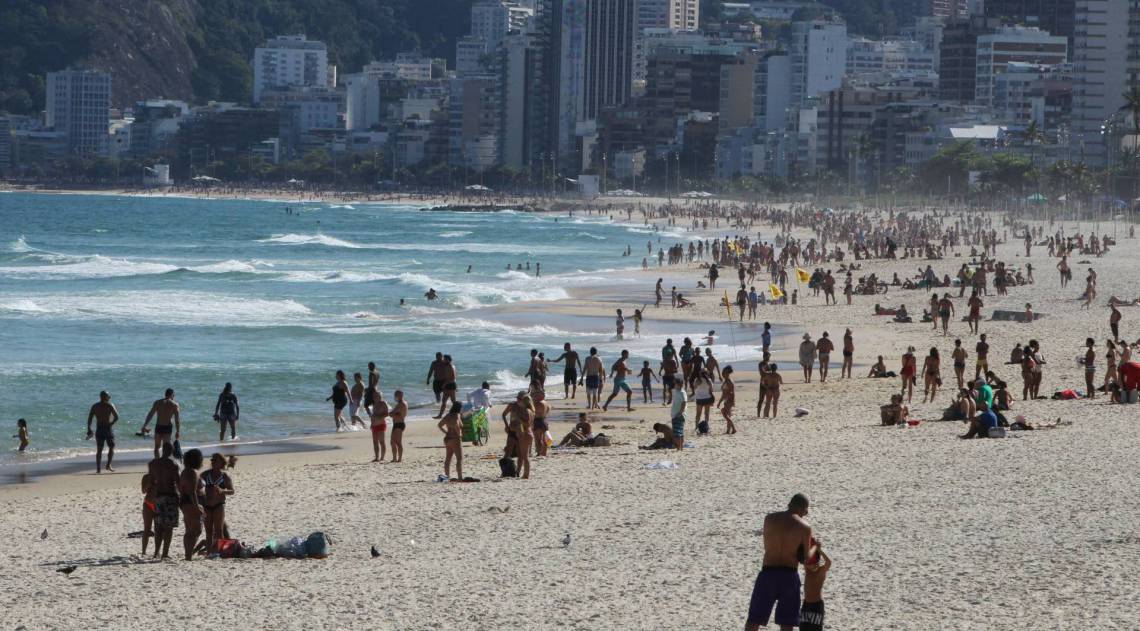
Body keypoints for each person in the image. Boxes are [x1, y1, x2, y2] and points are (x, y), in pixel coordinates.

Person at [745, 494, 814, 631]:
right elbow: (807, 560)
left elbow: (767, 545)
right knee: (787, 622)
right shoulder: (805, 528)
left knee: (754, 619)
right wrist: (816, 546)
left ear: (790, 504)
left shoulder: (769, 519)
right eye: (806, 511)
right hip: (789, 575)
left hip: (768, 573)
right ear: (802, 508)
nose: (805, 514)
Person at [147, 442, 179, 559]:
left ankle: (156, 552)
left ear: (162, 450)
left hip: (158, 496)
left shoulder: (153, 464)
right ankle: (165, 553)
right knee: (168, 527)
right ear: (171, 451)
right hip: (170, 496)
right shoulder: (173, 464)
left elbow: (151, 482)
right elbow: (178, 482)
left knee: (158, 526)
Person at [201, 453, 234, 554]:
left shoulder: (224, 476)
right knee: (208, 532)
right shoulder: (205, 474)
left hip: (219, 505)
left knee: (219, 531)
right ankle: (209, 553)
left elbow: (232, 491)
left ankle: (219, 552)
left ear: (221, 463)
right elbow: (196, 485)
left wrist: (222, 491)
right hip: (207, 506)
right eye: (212, 460)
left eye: (215, 460)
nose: (213, 462)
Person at [178, 448, 205, 560]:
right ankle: (188, 555)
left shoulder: (187, 471)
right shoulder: (192, 472)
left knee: (190, 530)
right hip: (190, 502)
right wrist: (196, 506)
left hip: (186, 502)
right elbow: (192, 491)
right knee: (195, 530)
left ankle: (188, 554)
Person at [141, 389, 180, 459]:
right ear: (172, 395)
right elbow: (177, 420)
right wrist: (177, 431)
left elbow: (150, 414)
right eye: (174, 395)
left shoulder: (157, 403)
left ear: (165, 394)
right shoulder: (175, 405)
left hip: (158, 427)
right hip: (167, 427)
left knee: (156, 448)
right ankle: (164, 464)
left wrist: (145, 425)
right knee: (166, 449)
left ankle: (157, 462)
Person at [86, 390, 120, 472]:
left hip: (101, 428)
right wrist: (110, 424)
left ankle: (101, 468)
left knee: (102, 449)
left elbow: (90, 418)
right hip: (107, 429)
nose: (109, 397)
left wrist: (89, 428)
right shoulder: (109, 405)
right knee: (109, 447)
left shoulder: (95, 406)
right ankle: (106, 465)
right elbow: (116, 417)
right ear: (105, 397)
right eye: (108, 396)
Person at [800, 544, 831, 631]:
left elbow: (828, 562)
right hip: (806, 604)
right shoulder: (808, 570)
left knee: (815, 629)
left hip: (816, 605)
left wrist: (819, 550)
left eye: (815, 563)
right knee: (803, 628)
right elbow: (805, 559)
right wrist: (814, 548)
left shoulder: (821, 571)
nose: (812, 565)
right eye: (811, 563)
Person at [438, 401, 464, 481]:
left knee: (448, 459)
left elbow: (440, 425)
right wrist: (459, 433)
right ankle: (460, 477)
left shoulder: (447, 415)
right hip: (455, 438)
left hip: (447, 438)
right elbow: (456, 424)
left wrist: (446, 432)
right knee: (459, 458)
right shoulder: (457, 415)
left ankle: (447, 477)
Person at [369, 390, 389, 462]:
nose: (375, 397)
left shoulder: (383, 403)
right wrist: (371, 423)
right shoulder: (374, 404)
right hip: (374, 425)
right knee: (375, 442)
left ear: (380, 396)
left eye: (377, 396)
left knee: (381, 442)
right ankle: (377, 457)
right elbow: (373, 415)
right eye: (374, 396)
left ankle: (382, 457)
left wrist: (379, 417)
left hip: (381, 425)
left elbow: (387, 413)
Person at [389, 390, 407, 463]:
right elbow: (392, 414)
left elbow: (391, 414)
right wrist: (394, 414)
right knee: (392, 441)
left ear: (400, 395)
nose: (395, 397)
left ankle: (399, 459)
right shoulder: (400, 403)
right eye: (395, 395)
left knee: (398, 442)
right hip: (396, 424)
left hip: (399, 424)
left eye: (396, 395)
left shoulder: (401, 404)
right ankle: (394, 458)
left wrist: (393, 414)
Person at [532, 390, 551, 457]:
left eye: (535, 395)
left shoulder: (538, 403)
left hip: (538, 421)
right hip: (544, 420)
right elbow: (547, 411)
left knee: (538, 439)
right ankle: (544, 453)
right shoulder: (546, 403)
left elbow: (533, 413)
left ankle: (539, 453)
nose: (533, 396)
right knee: (544, 438)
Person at [670, 378, 687, 451]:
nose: (675, 385)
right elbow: (671, 393)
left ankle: (679, 448)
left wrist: (680, 412)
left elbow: (684, 403)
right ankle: (680, 447)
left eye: (676, 384)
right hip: (675, 414)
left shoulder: (682, 392)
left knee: (678, 433)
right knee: (679, 432)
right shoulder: (675, 391)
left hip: (679, 415)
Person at [718, 366, 737, 434]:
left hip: (729, 400)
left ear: (727, 373)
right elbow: (724, 393)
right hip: (726, 400)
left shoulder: (729, 381)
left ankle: (734, 428)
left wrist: (731, 401)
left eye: (724, 372)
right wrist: (720, 402)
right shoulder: (726, 381)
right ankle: (728, 430)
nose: (722, 374)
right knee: (727, 415)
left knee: (725, 414)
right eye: (722, 372)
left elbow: (732, 392)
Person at [140, 473, 156, 555]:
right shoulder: (146, 477)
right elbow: (143, 491)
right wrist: (149, 484)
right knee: (147, 529)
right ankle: (143, 552)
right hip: (148, 504)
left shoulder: (162, 476)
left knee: (159, 529)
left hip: (159, 505)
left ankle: (157, 551)